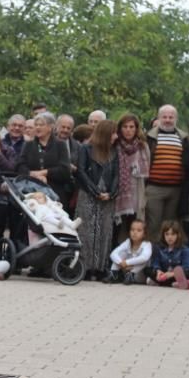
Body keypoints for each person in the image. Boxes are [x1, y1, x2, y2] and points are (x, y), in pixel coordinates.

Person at [75, 119, 120, 281]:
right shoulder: (86, 149)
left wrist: (111, 193)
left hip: (107, 197)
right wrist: (95, 191)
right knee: (86, 231)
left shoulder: (114, 152)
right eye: (114, 132)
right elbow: (80, 172)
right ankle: (85, 267)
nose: (116, 136)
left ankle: (101, 267)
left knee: (105, 232)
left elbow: (116, 176)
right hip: (88, 195)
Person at [145, 105, 187, 236]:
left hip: (176, 189)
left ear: (176, 119)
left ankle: (167, 255)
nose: (168, 120)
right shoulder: (149, 137)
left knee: (170, 226)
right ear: (159, 118)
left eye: (171, 117)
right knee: (153, 224)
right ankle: (151, 254)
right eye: (164, 117)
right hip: (154, 188)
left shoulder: (184, 138)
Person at [18, 112, 72, 208]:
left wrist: (44, 173)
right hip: (32, 192)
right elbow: (20, 166)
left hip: (55, 193)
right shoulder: (28, 145)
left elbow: (65, 170)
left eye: (41, 125)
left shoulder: (60, 145)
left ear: (50, 127)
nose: (37, 127)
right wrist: (33, 174)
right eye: (36, 125)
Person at [113, 113, 150, 243]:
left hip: (136, 190)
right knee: (116, 227)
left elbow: (147, 169)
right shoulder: (115, 145)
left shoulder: (142, 146)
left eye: (131, 127)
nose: (128, 130)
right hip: (117, 190)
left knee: (133, 225)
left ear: (136, 128)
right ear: (120, 128)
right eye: (125, 127)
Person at [147, 220, 189, 287]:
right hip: (164, 272)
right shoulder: (159, 248)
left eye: (173, 234)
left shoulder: (184, 249)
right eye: (167, 234)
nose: (170, 237)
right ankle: (166, 282)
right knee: (147, 270)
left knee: (188, 273)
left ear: (178, 235)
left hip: (175, 275)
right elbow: (156, 262)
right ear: (163, 235)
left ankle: (167, 282)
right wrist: (158, 271)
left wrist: (172, 274)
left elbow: (186, 267)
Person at [108, 219, 152, 284]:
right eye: (132, 230)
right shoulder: (127, 242)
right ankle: (113, 274)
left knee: (144, 260)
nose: (135, 232)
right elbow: (113, 253)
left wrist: (127, 262)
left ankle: (131, 275)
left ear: (144, 234)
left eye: (139, 230)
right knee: (121, 254)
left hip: (140, 275)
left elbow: (144, 257)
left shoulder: (147, 244)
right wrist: (121, 263)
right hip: (126, 272)